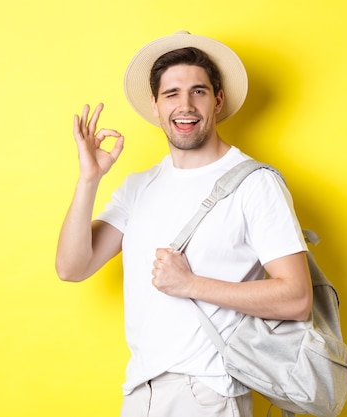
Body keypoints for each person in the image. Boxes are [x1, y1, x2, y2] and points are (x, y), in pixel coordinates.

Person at [55, 31, 313, 417]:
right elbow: (71, 267)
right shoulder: (139, 187)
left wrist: (191, 285)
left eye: (198, 91)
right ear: (156, 106)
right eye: (171, 94)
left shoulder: (255, 183)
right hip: (141, 391)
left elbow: (297, 298)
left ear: (218, 100)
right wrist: (89, 179)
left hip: (209, 392)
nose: (185, 105)